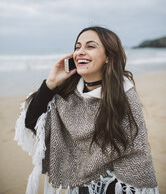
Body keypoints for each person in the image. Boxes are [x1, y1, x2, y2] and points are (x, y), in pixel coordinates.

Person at [14, 26, 159, 194]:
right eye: (77, 47)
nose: (80, 52)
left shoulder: (124, 95)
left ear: (108, 57)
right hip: (80, 186)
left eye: (90, 46)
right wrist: (51, 82)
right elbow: (32, 121)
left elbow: (135, 154)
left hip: (117, 185)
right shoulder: (68, 94)